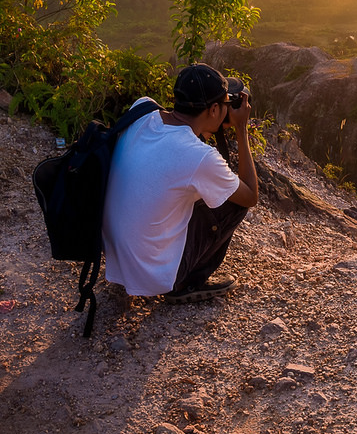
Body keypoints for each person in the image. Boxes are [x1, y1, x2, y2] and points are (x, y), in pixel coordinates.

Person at [102, 63, 260, 303]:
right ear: (215, 109)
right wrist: (240, 127)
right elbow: (250, 195)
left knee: (198, 190)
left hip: (116, 257)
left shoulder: (142, 109)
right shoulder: (199, 157)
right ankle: (185, 282)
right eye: (225, 104)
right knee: (235, 201)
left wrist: (209, 126)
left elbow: (173, 146)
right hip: (152, 275)